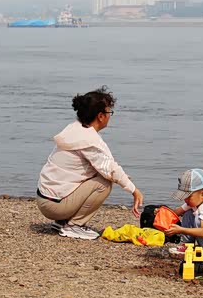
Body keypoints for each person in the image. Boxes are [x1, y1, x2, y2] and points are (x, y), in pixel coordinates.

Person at [36, 86, 144, 240]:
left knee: (98, 173)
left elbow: (105, 165)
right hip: (54, 205)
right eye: (109, 112)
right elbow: (111, 169)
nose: (110, 116)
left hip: (45, 199)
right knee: (104, 183)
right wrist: (134, 190)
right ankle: (74, 226)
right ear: (100, 116)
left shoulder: (74, 129)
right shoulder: (90, 141)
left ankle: (62, 222)